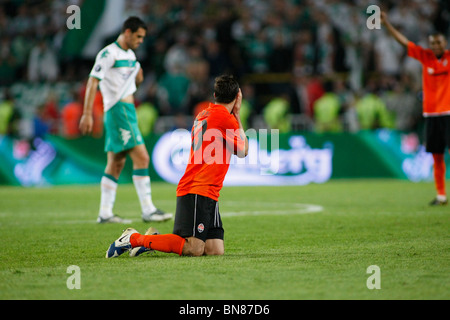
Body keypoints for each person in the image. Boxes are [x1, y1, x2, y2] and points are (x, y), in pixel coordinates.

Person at [105, 75, 249, 257]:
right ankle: (134, 239)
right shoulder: (225, 118)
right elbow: (244, 151)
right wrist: (237, 114)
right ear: (237, 96)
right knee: (194, 249)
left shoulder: (204, 113)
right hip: (198, 189)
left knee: (214, 250)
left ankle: (153, 240)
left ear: (214, 95)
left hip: (207, 189)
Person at [79, 16, 172, 223]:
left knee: (116, 163)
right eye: (138, 36)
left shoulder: (130, 55)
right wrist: (86, 113)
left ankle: (105, 213)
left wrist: (137, 77)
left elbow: (134, 79)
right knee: (142, 158)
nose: (141, 41)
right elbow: (93, 82)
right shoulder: (108, 53)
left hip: (125, 111)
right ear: (127, 32)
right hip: (118, 110)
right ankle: (148, 210)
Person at [381, 11, 450, 206]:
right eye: (433, 43)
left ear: (445, 44)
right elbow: (404, 42)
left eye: (439, 43)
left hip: (448, 113)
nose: (436, 46)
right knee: (437, 156)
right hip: (431, 114)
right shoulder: (425, 57)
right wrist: (387, 24)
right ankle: (441, 195)